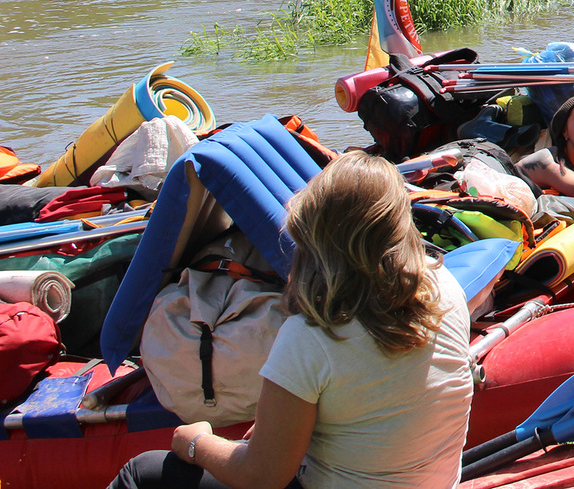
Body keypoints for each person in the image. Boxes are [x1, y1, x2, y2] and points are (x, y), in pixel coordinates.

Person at [111, 153, 474, 489]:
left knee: (142, 472)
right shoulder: (444, 288)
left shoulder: (313, 337)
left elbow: (262, 477)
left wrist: (195, 443)